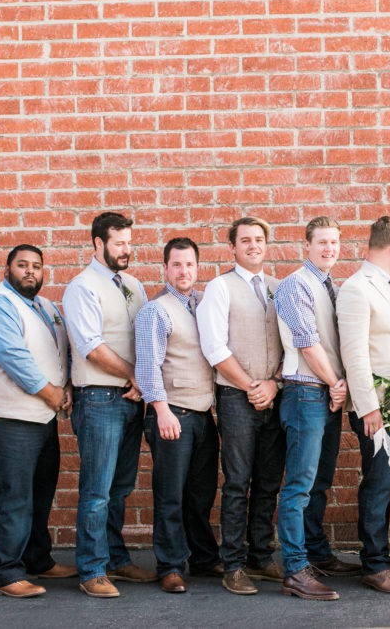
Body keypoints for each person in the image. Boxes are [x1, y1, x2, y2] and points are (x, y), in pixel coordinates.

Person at [0, 245, 77, 597]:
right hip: (5, 420)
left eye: (37, 266)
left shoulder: (45, 307)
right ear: (7, 268)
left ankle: (37, 560)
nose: (31, 271)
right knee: (12, 497)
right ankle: (7, 573)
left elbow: (62, 352)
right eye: (23, 265)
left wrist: (67, 387)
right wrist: (53, 394)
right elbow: (15, 359)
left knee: (40, 495)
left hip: (41, 419)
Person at [63, 212, 154, 598]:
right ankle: (92, 569)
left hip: (131, 399)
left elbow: (147, 337)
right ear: (98, 244)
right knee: (97, 490)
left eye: (129, 242)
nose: (126, 249)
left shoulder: (132, 284)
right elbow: (92, 348)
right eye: (118, 243)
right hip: (98, 397)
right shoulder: (82, 287)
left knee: (120, 487)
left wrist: (143, 384)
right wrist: (137, 376)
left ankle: (116, 559)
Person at [197, 217, 285, 595]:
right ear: (231, 247)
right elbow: (215, 348)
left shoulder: (278, 287)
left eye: (259, 239)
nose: (253, 245)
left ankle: (260, 557)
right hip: (237, 397)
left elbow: (293, 344)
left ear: (267, 245)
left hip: (274, 394)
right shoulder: (219, 287)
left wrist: (274, 384)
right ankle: (232, 564)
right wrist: (252, 386)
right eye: (245, 240)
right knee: (237, 483)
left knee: (268, 481)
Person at [273, 216, 358, 602]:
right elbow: (308, 344)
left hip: (326, 396)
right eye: (322, 242)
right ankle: (295, 569)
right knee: (299, 487)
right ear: (305, 246)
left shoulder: (332, 287)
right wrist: (336, 383)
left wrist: (337, 389)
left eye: (335, 243)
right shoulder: (295, 285)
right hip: (305, 394)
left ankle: (317, 554)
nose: (329, 249)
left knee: (320, 483)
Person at [134, 237, 222, 594]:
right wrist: (161, 410)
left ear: (197, 268)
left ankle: (202, 558)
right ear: (165, 268)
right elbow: (148, 366)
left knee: (200, 493)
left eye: (189, 265)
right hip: (173, 414)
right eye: (176, 265)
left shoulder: (202, 304)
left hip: (203, 414)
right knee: (170, 494)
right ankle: (169, 565)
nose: (183, 271)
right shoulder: (156, 310)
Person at [337, 215, 390, 595]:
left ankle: (380, 556)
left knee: (383, 481)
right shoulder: (357, 288)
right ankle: (373, 564)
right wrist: (369, 408)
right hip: (377, 408)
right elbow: (355, 354)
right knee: (377, 482)